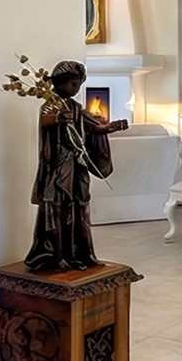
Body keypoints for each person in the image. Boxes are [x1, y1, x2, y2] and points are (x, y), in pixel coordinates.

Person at [26, 60, 128, 273]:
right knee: (57, 208)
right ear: (59, 82)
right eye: (74, 84)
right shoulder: (51, 104)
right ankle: (56, 256)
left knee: (79, 208)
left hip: (76, 165)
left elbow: (93, 127)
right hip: (58, 167)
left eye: (79, 84)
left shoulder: (74, 107)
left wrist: (111, 127)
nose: (77, 89)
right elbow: (45, 121)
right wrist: (58, 118)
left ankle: (82, 254)